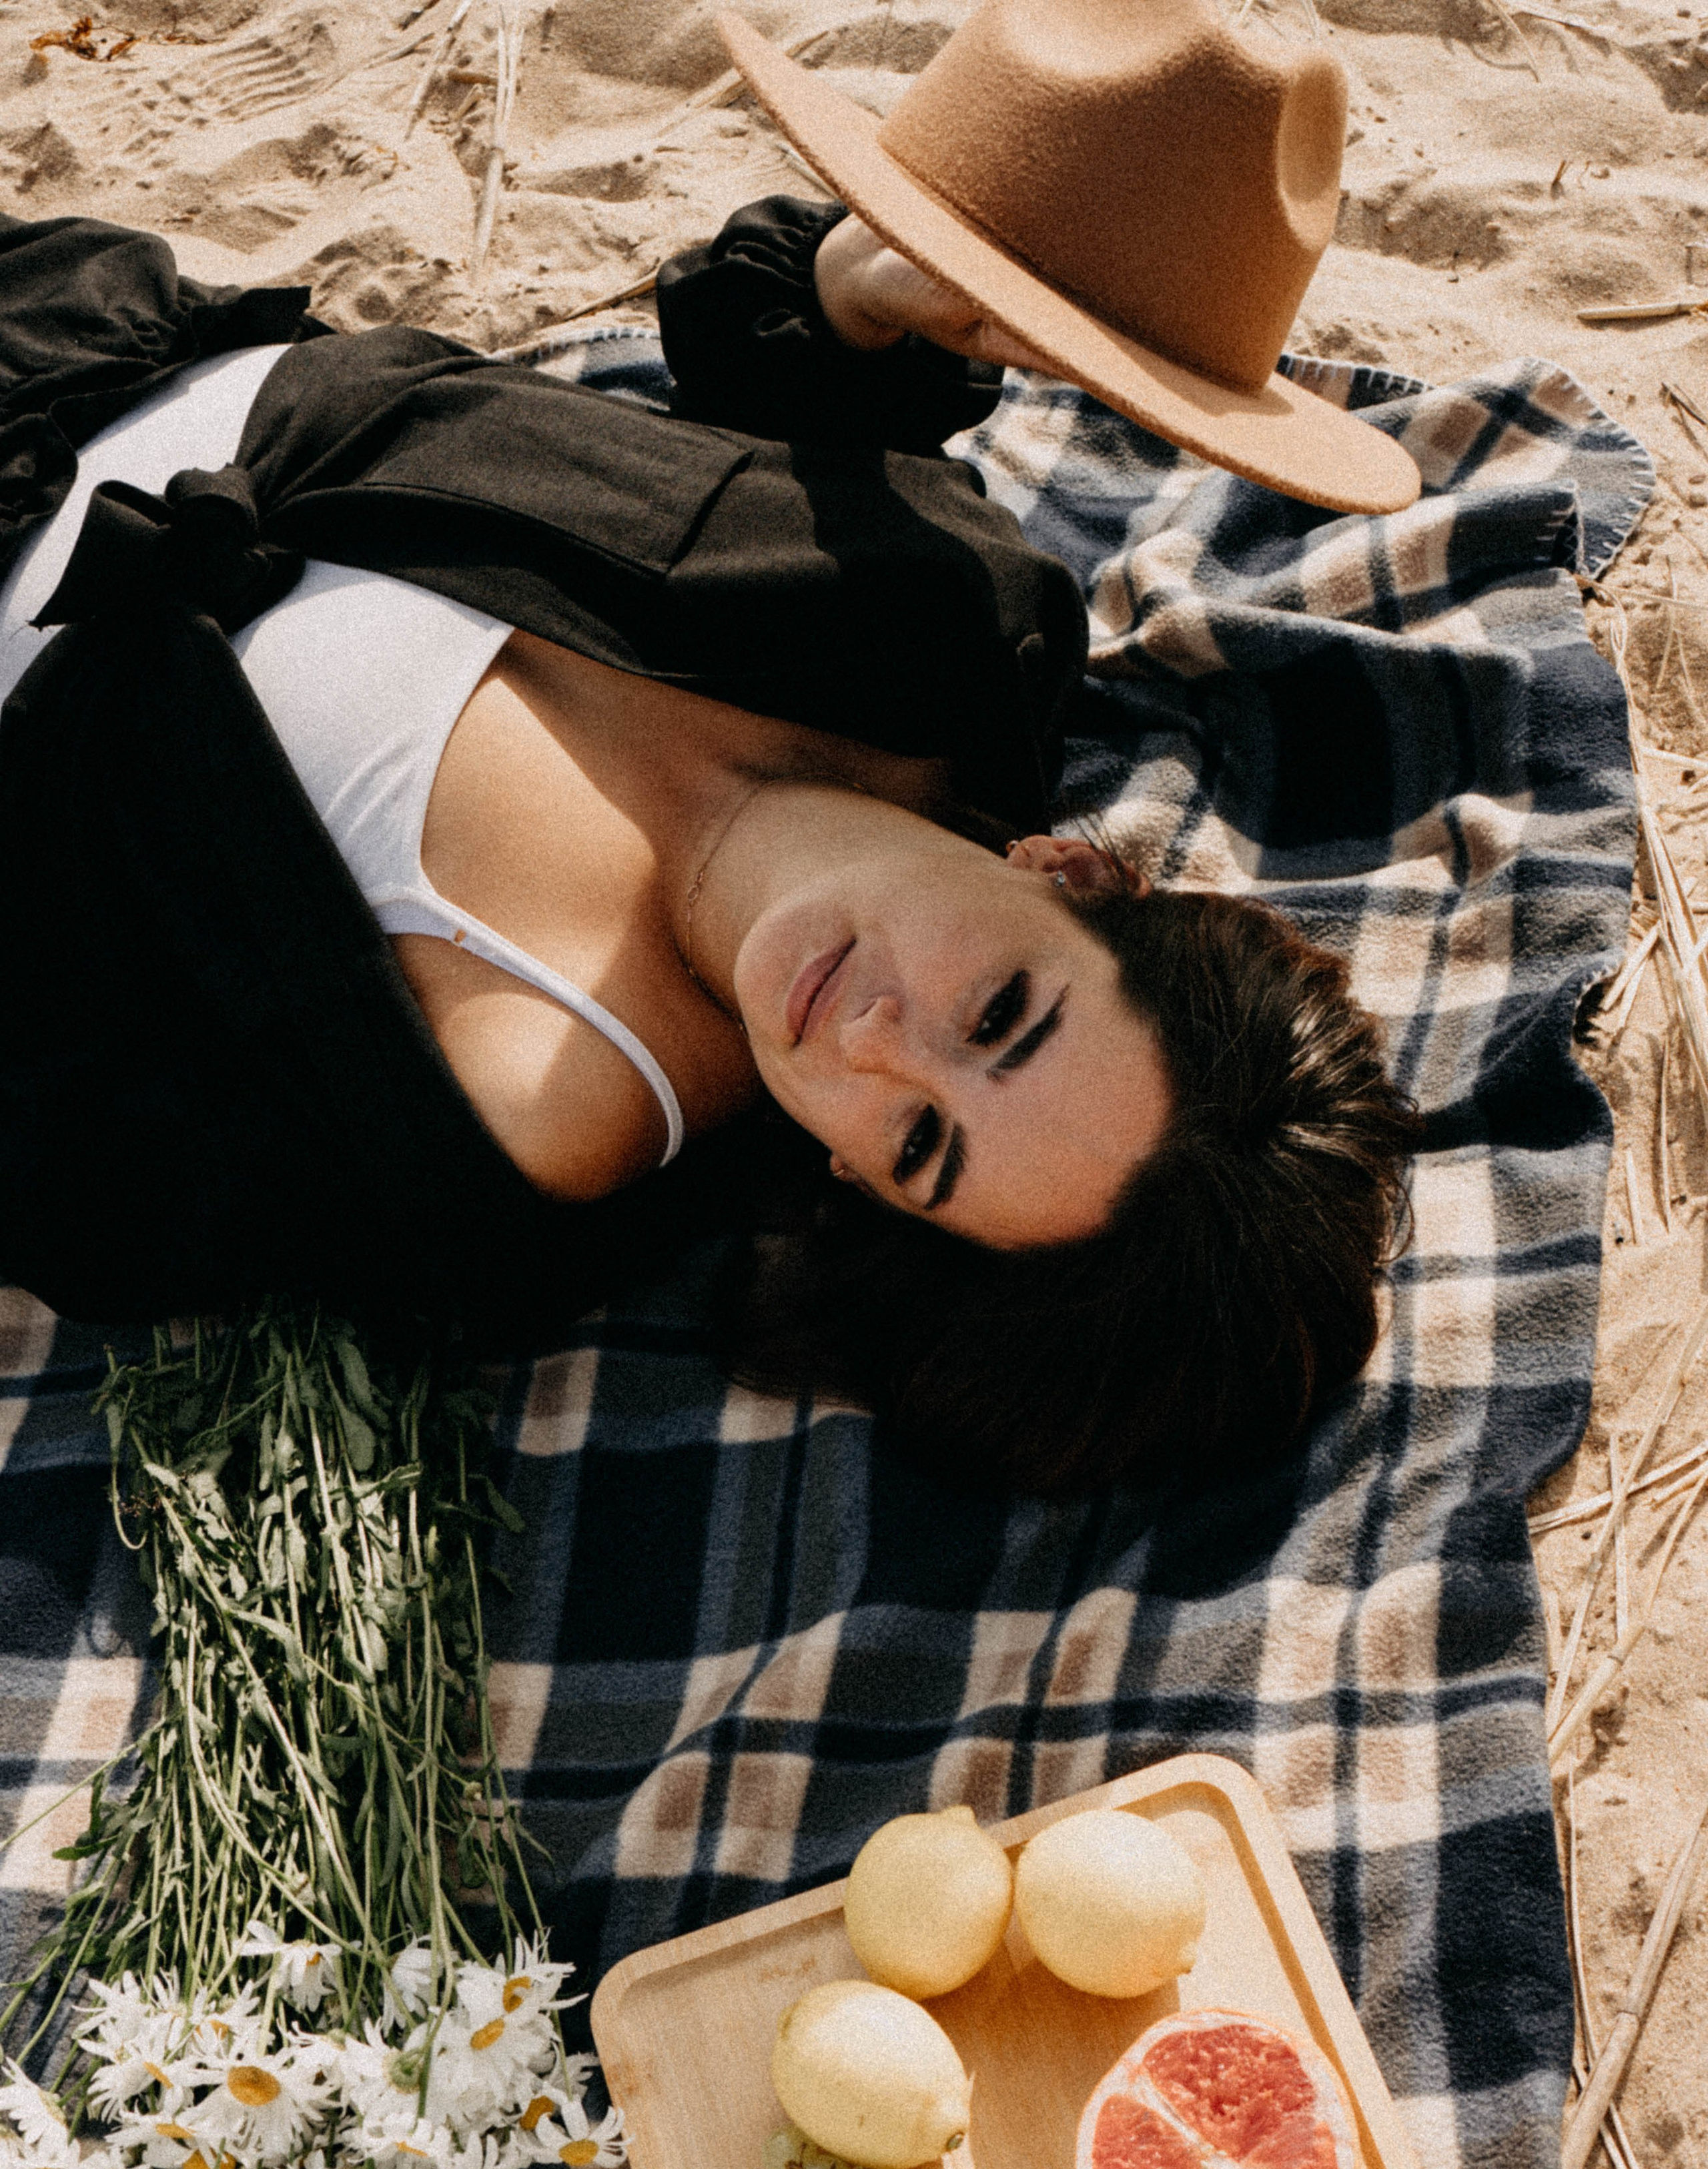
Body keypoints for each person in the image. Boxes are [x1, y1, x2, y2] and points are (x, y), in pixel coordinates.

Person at [0, 0, 1418, 1497]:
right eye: (998, 1013)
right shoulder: (948, 632)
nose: (872, 1049)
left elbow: (73, 1170)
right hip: (82, 319)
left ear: (858, 1191)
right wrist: (856, 293)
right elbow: (753, 420)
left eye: (921, 1148)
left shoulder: (530, 1127)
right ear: (1067, 874)